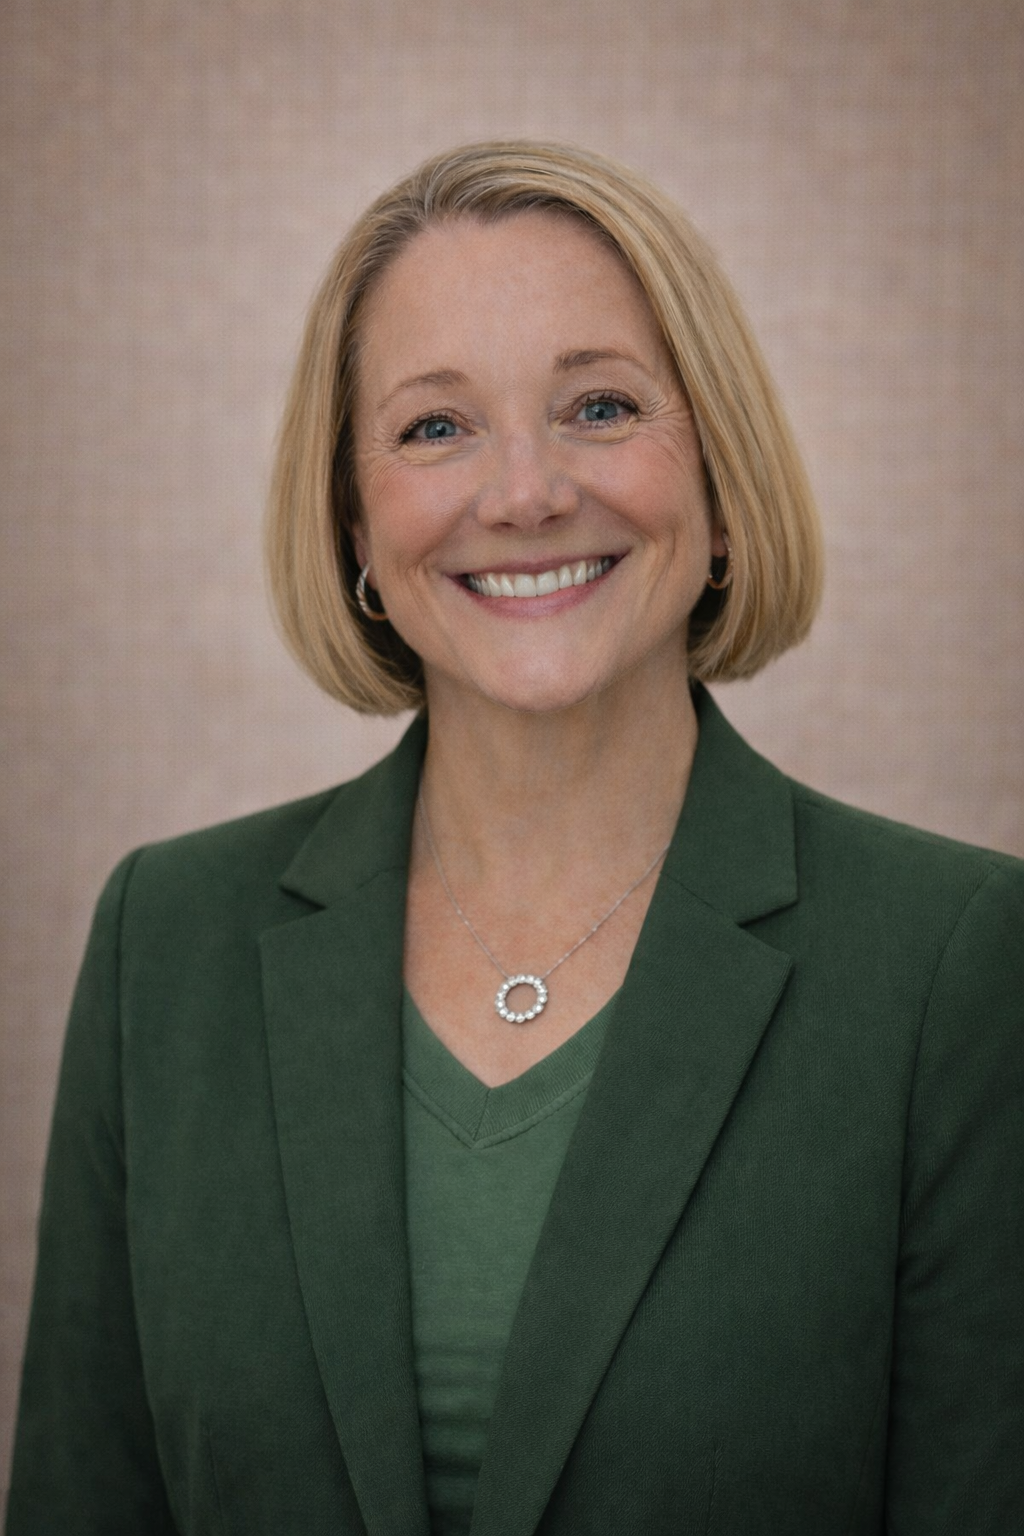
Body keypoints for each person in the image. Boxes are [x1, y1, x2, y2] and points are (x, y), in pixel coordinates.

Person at [6, 140, 1022, 1536]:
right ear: (356, 524)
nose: (527, 492)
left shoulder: (956, 964)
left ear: (719, 482)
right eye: (436, 428)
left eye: (599, 405)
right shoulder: (161, 947)